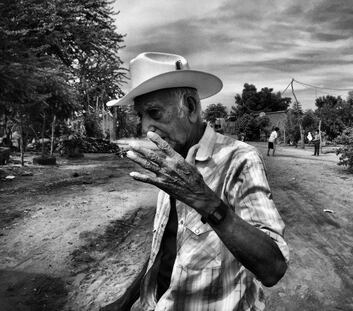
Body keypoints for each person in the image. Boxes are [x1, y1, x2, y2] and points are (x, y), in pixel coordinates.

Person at [102, 52, 289, 311]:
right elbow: (166, 247)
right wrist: (126, 300)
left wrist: (203, 199)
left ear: (189, 107)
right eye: (141, 116)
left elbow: (273, 268)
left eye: (154, 113)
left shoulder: (240, 160)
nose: (146, 127)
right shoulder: (170, 161)